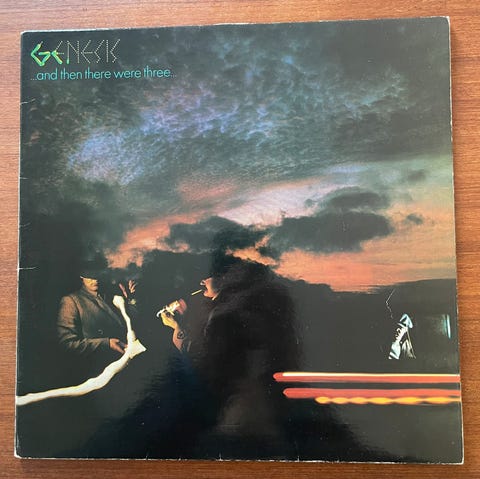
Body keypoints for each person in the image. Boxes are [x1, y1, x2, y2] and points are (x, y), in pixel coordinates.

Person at [163, 257, 300, 458]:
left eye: (207, 276)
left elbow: (203, 358)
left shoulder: (224, 314)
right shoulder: (233, 307)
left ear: (225, 278)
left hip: (239, 401)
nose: (201, 281)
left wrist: (177, 329)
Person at [56, 262, 135, 377]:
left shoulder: (111, 295)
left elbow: (131, 323)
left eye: (98, 274)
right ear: (81, 276)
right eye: (90, 276)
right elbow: (67, 344)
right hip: (96, 371)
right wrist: (106, 343)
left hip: (124, 366)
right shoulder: (71, 301)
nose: (95, 279)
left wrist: (131, 299)